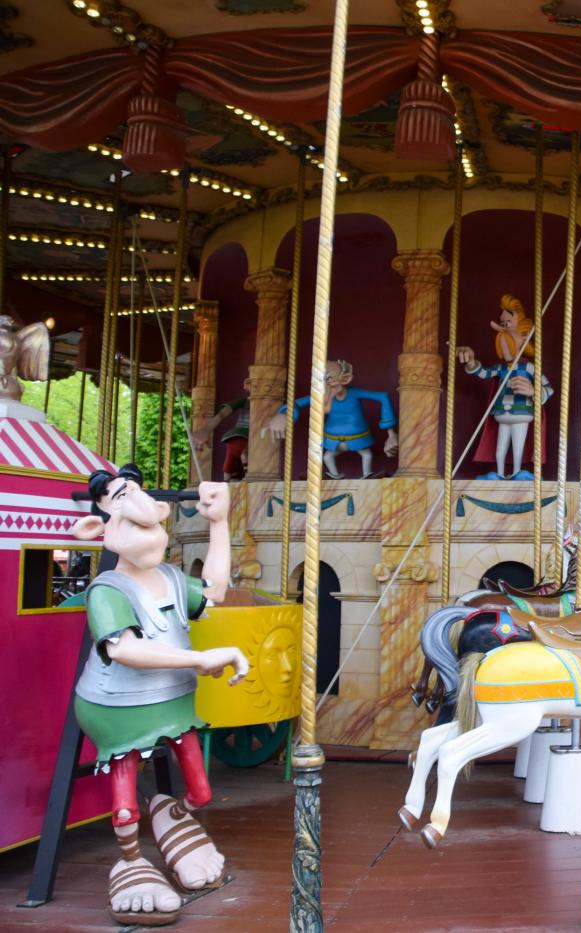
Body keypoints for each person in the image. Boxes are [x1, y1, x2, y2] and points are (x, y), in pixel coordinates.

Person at [68, 464, 247, 926]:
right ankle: (130, 861)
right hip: (118, 708)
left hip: (172, 702)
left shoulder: (169, 578)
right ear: (98, 529)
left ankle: (172, 815)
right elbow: (124, 648)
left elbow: (216, 590)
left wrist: (220, 523)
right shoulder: (108, 589)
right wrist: (199, 659)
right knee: (125, 794)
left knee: (203, 792)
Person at [457, 294, 553, 481]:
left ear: (524, 338)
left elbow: (549, 388)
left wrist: (534, 391)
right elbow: (483, 373)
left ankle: (517, 471)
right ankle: (499, 473)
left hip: (521, 411)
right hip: (502, 412)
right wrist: (470, 362)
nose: (504, 339)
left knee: (518, 446)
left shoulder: (529, 367)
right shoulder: (500, 368)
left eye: (508, 331)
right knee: (500, 448)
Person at [268, 359, 399, 478]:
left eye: (328, 379)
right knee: (327, 456)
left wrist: (391, 433)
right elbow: (296, 404)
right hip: (333, 438)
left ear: (346, 379)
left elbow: (382, 397)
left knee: (366, 454)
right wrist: (283, 414)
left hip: (357, 436)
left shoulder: (354, 393)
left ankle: (367, 475)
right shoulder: (323, 396)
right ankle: (334, 475)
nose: (323, 385)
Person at [192, 376, 252, 481]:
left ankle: (239, 475)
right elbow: (222, 414)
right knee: (235, 453)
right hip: (241, 431)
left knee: (240, 452)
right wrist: (207, 429)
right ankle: (228, 480)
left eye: (248, 383)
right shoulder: (243, 402)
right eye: (246, 383)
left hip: (251, 432)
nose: (245, 386)